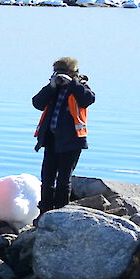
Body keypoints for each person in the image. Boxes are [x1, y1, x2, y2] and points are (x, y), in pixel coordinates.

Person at [33, 57, 96, 212]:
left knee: (63, 180)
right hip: (51, 140)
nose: (60, 76)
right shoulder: (53, 89)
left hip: (72, 142)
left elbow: (88, 99)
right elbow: (37, 103)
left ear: (73, 73)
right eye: (57, 73)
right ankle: (45, 212)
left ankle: (60, 213)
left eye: (63, 73)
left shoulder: (80, 87)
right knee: (47, 179)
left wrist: (72, 83)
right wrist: (51, 86)